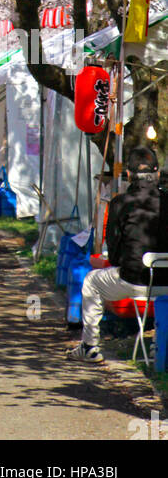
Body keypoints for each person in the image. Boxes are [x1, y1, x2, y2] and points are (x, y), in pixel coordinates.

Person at [70, 145, 168, 363]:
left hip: (134, 279)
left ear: (129, 176)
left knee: (91, 282)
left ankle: (90, 346)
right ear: (158, 174)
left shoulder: (120, 203)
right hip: (167, 282)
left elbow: (113, 254)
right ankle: (160, 347)